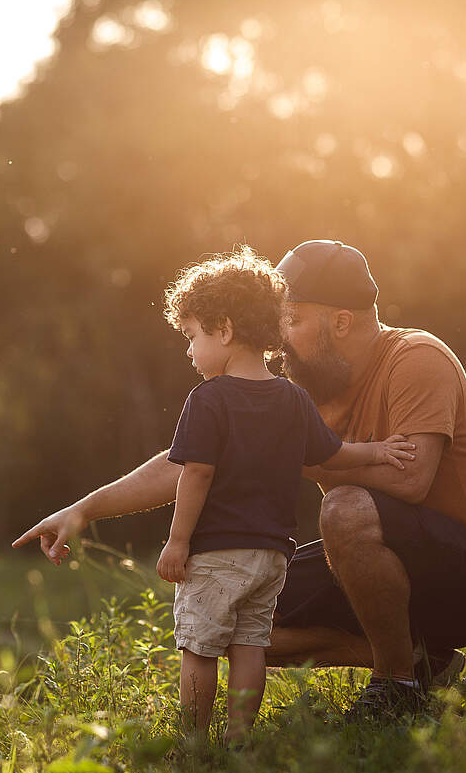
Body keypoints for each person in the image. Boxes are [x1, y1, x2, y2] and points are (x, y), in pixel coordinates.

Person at [14, 240, 466, 721]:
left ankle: (397, 686)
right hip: (373, 558)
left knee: (344, 508)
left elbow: (413, 481)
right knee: (237, 611)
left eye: (294, 321)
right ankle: (424, 661)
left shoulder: (416, 359)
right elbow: (191, 460)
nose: (279, 338)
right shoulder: (305, 391)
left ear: (341, 323)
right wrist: (83, 510)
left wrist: (289, 458)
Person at [155, 248, 413, 742]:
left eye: (193, 337)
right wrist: (379, 451)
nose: (190, 352)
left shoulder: (207, 399)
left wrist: (178, 541)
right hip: (272, 556)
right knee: (250, 645)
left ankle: (192, 742)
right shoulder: (292, 398)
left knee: (200, 647)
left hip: (215, 552)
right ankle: (239, 740)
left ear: (225, 330)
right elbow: (334, 454)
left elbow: (197, 475)